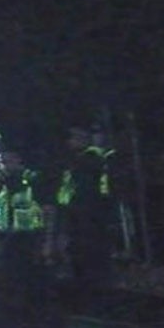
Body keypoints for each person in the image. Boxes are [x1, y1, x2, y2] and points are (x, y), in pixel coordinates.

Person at [0, 150, 60, 328]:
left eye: (7, 160)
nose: (3, 165)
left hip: (30, 239)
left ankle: (39, 327)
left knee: (33, 285)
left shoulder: (34, 181)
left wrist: (47, 243)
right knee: (5, 285)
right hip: (6, 238)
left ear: (19, 160)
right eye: (0, 161)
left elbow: (49, 212)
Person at [55, 125, 115, 300]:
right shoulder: (83, 159)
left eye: (74, 138)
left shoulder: (90, 159)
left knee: (87, 255)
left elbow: (84, 190)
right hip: (82, 215)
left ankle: (92, 293)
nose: (70, 142)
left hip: (87, 216)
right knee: (81, 255)